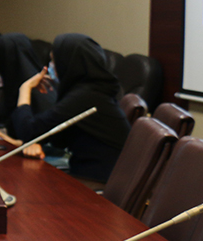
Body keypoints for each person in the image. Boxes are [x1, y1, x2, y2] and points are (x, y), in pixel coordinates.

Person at [8, 33, 130, 186]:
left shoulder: (85, 96)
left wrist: (25, 89)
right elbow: (55, 138)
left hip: (97, 183)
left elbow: (29, 132)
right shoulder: (93, 89)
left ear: (69, 63)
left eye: (54, 60)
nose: (51, 66)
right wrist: (28, 141)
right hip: (90, 173)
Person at [0, 33, 57, 126]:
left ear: (7, 64)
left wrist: (25, 88)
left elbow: (28, 130)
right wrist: (1, 129)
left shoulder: (39, 91)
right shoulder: (12, 87)